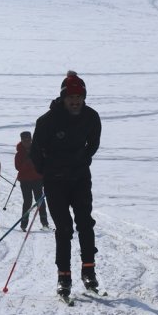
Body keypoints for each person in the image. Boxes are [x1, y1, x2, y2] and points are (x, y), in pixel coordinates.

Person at [30, 71, 101, 297]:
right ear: (63, 98)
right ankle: (64, 277)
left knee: (85, 223)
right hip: (55, 182)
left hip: (80, 178)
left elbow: (93, 144)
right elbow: (35, 151)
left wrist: (82, 160)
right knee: (64, 228)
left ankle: (89, 271)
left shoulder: (91, 117)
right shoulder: (47, 121)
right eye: (71, 97)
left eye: (79, 97)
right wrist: (47, 171)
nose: (75, 101)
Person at [14, 131, 49, 231]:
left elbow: (43, 163)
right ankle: (24, 224)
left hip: (37, 179)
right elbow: (18, 167)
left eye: (28, 140)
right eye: (24, 140)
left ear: (31, 139)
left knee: (40, 200)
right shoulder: (19, 153)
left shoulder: (37, 150)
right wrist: (27, 163)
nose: (27, 142)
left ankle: (44, 223)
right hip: (25, 180)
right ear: (21, 140)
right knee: (27, 201)